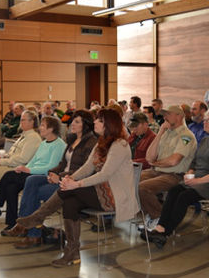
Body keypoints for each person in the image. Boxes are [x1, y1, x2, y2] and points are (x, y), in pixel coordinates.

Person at [16, 109, 138, 267]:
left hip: (115, 196)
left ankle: (38, 217)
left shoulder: (119, 145)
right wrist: (70, 178)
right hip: (99, 191)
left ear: (108, 124)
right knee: (70, 202)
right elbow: (88, 168)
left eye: (99, 120)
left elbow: (105, 175)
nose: (95, 122)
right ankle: (72, 253)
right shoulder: (101, 142)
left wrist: (76, 184)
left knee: (71, 190)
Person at [144, 110, 209, 248]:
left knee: (184, 197)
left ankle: (165, 233)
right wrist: (190, 172)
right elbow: (194, 161)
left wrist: (199, 181)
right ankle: (160, 227)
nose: (204, 122)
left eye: (208, 120)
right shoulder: (206, 140)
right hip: (200, 180)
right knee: (174, 190)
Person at [5, 110, 97, 249]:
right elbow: (62, 164)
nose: (72, 123)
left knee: (35, 193)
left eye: (77, 122)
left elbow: (85, 169)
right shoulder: (72, 139)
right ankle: (25, 226)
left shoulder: (90, 143)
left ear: (86, 125)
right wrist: (52, 173)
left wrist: (59, 177)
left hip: (73, 183)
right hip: (61, 177)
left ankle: (32, 234)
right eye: (73, 120)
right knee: (31, 181)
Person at [0, 116, 66, 231]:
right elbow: (34, 161)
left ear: (51, 129)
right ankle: (13, 222)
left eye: (43, 126)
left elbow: (50, 167)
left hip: (42, 176)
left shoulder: (59, 145)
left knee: (8, 175)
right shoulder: (44, 143)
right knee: (11, 187)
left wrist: (29, 170)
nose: (40, 128)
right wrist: (24, 168)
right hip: (31, 172)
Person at [137, 105, 197, 231]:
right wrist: (160, 132)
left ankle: (159, 217)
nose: (165, 117)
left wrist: (155, 163)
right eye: (164, 115)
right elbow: (149, 157)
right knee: (131, 181)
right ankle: (151, 214)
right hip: (157, 172)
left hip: (174, 175)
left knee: (142, 188)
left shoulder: (186, 136)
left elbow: (174, 161)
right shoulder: (166, 133)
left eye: (168, 114)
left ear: (179, 116)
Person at [0, 110, 42, 216]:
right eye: (21, 120)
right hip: (10, 164)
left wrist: (1, 162)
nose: (20, 122)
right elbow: (12, 153)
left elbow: (23, 159)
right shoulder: (23, 135)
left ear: (32, 122)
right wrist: (4, 156)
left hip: (17, 169)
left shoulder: (33, 137)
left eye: (23, 120)